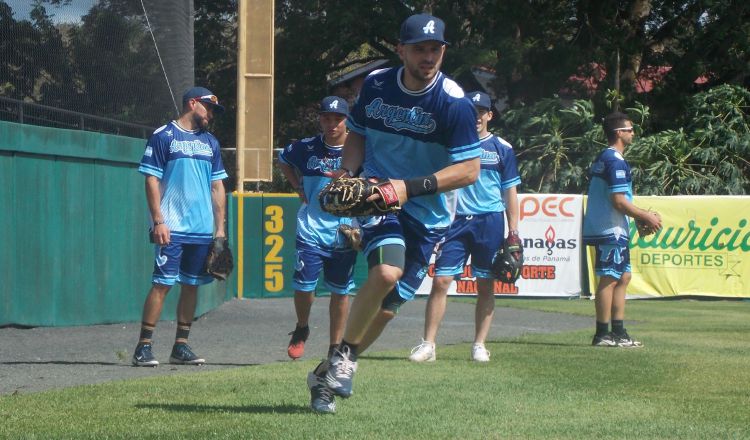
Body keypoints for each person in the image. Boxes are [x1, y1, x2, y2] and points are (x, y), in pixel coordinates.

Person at [314, 13, 481, 411]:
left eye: (435, 49)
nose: (428, 57)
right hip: (378, 193)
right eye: (420, 49)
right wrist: (350, 171)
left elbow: (469, 170)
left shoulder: (453, 103)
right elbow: (358, 132)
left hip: (429, 213)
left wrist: (408, 188)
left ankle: (332, 368)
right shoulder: (376, 85)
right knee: (387, 271)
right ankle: (341, 363)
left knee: (389, 307)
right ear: (401, 49)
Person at [409, 91, 521, 363]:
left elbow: (510, 193)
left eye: (481, 112)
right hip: (456, 220)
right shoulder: (451, 145)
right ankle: (428, 345)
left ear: (490, 115)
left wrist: (513, 232)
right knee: (441, 280)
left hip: (489, 221)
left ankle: (479, 345)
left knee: (485, 284)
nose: (476, 117)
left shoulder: (502, 148)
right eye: (471, 112)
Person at [131, 86, 228, 367]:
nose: (211, 114)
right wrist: (158, 221)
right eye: (209, 108)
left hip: (200, 228)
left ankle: (181, 346)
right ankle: (143, 346)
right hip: (171, 225)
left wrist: (219, 230)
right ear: (192, 103)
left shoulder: (211, 142)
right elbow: (151, 179)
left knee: (192, 285)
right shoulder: (165, 136)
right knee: (162, 284)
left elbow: (217, 186)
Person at [277, 96, 359, 412]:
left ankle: (334, 350)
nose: (332, 123)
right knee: (304, 287)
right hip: (311, 227)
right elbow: (283, 159)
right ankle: (302, 326)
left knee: (341, 293)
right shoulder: (307, 147)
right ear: (320, 119)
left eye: (338, 118)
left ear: (347, 121)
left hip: (343, 233)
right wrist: (297, 186)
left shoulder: (357, 150)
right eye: (327, 117)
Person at [582, 111, 662, 348]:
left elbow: (619, 198)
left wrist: (636, 218)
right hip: (610, 228)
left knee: (623, 276)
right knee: (609, 278)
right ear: (618, 133)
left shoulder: (607, 158)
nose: (633, 133)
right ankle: (602, 334)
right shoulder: (614, 160)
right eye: (629, 129)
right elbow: (617, 200)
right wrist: (645, 215)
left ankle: (618, 332)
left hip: (615, 225)